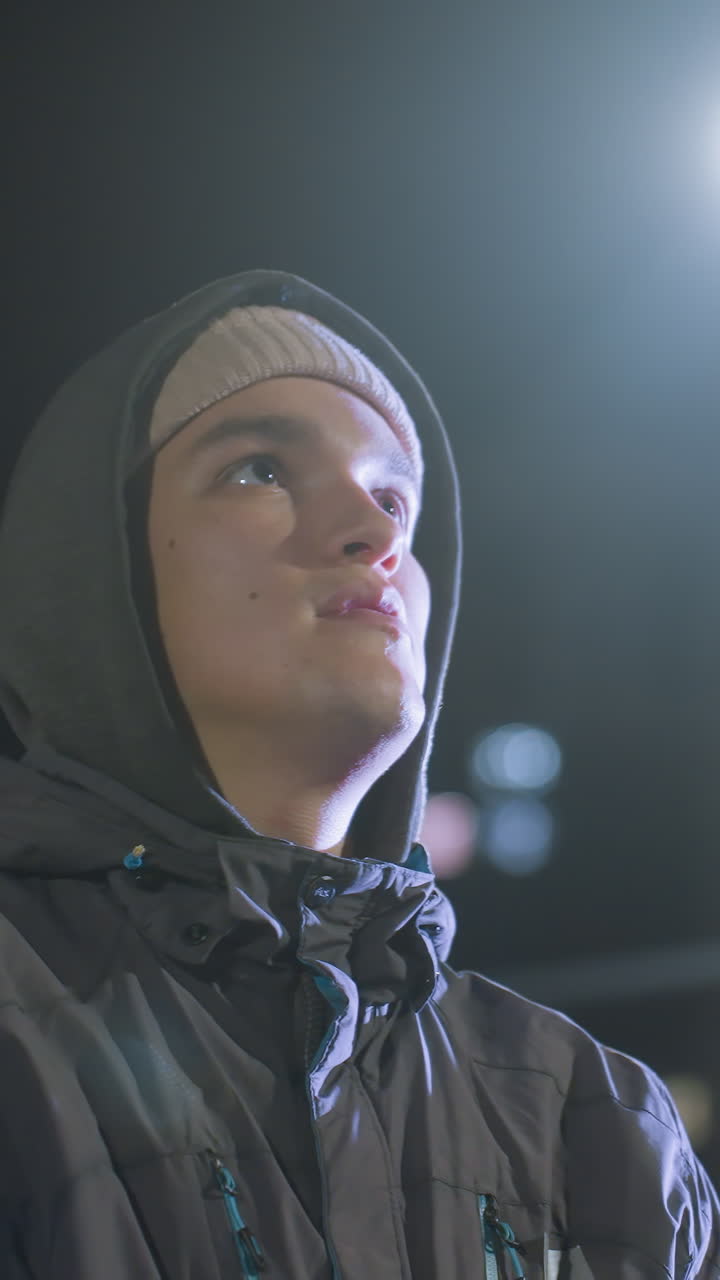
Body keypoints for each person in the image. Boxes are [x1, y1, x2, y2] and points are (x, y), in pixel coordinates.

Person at [0, 268, 716, 1280]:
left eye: (394, 496)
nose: (376, 533)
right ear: (91, 570)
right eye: (259, 468)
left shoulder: (597, 1121)